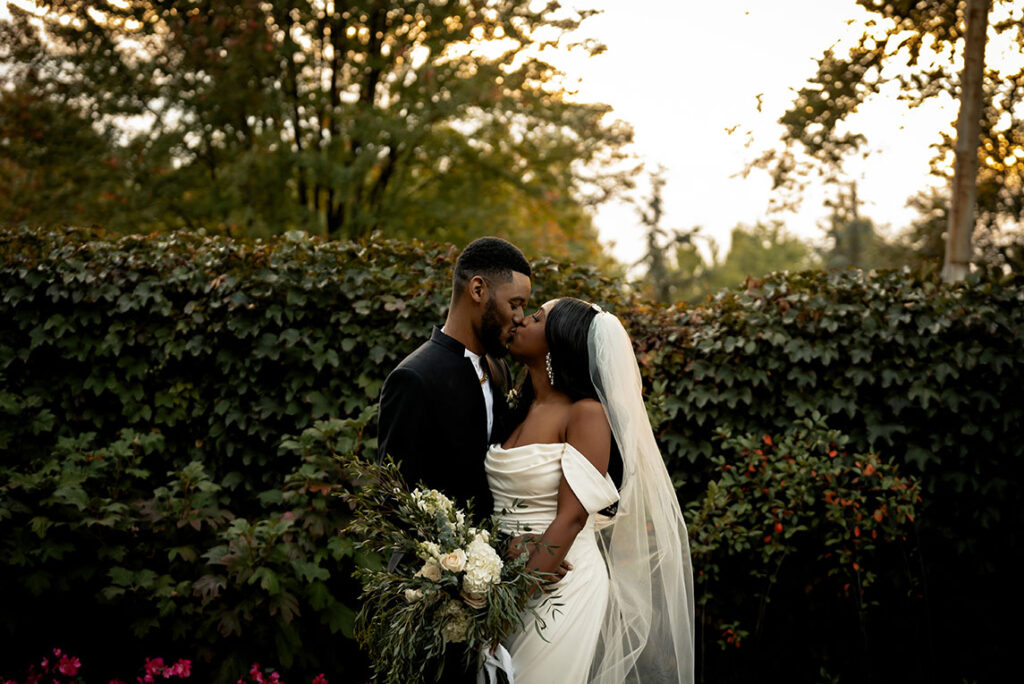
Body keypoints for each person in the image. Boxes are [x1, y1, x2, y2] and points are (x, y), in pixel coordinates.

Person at [485, 297, 694, 684]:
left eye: (535, 317)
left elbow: (571, 518)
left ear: (557, 341)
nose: (520, 321)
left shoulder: (586, 413)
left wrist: (504, 611)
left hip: (559, 588)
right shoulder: (516, 407)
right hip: (506, 576)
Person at [377, 236, 531, 684]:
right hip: (436, 608)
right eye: (516, 303)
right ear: (478, 290)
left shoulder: (497, 370)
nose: (520, 317)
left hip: (495, 600)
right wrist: (447, 586)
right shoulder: (414, 378)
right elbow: (397, 503)